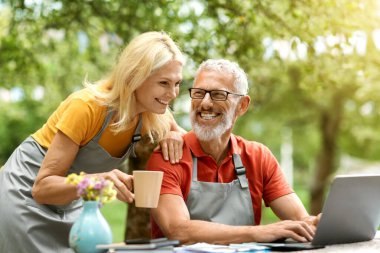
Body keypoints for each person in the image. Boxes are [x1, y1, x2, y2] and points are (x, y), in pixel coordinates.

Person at [0, 31, 186, 252]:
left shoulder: (153, 113)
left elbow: (188, 139)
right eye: (164, 83)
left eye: (177, 83)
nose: (173, 93)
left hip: (75, 205)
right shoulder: (86, 107)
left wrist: (175, 134)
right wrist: (97, 180)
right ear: (134, 77)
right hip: (25, 197)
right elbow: (42, 188)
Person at [147, 59, 320, 245]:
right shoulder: (168, 156)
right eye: (198, 93)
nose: (205, 103)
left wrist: (316, 223)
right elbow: (178, 229)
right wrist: (257, 233)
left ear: (242, 105)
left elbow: (300, 220)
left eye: (217, 94)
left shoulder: (258, 157)